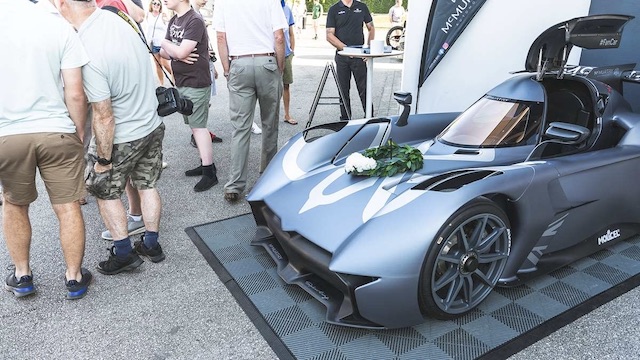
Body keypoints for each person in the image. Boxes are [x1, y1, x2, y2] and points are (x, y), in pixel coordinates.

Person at [56, 0, 167, 274]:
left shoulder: (88, 48)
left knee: (104, 191)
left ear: (62, 5)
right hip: (151, 123)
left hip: (123, 134)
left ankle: (124, 253)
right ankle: (151, 244)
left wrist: (103, 160)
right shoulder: (118, 18)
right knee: (147, 184)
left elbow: (104, 115)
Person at [0, 0, 92, 299]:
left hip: (9, 134)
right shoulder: (57, 25)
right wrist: (78, 131)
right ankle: (74, 278)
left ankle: (22, 274)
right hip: (57, 129)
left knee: (14, 204)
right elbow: (75, 92)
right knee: (67, 206)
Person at [214, 0, 288, 202]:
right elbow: (279, 37)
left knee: (240, 128)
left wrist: (227, 68)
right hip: (267, 62)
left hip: (239, 62)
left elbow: (221, 37)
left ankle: (235, 184)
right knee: (270, 124)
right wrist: (279, 68)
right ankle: (268, 177)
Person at [161, 0, 219, 192]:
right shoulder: (174, 20)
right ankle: (205, 163)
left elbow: (175, 49)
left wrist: (167, 45)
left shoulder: (194, 20)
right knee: (195, 127)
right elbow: (165, 53)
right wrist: (175, 52)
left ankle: (210, 173)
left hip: (196, 81)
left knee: (199, 127)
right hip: (182, 81)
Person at [326, 0, 374, 120]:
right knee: (343, 90)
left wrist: (368, 49)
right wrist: (346, 49)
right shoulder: (334, 9)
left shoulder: (362, 7)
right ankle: (345, 119)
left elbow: (371, 28)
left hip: (359, 57)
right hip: (342, 57)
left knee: (364, 88)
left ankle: (369, 117)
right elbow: (329, 35)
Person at [146, 0, 173, 85]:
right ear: (151, 5)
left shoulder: (163, 15)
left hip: (163, 44)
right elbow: (149, 30)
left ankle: (174, 79)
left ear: (160, 6)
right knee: (158, 65)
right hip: (153, 44)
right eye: (154, 3)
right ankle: (162, 84)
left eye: (158, 4)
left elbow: (169, 27)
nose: (156, 5)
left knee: (165, 64)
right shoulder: (148, 15)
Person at [282, 0, 297, 126]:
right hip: (270, 55)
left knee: (286, 85)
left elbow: (291, 33)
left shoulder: (287, 9)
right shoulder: (267, 7)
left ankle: (287, 114)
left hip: (286, 54)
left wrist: (292, 51)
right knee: (269, 88)